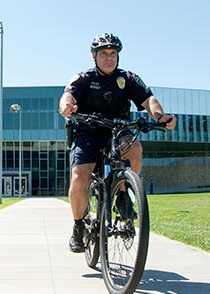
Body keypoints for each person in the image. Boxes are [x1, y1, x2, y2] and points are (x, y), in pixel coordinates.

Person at [58, 32, 177, 253]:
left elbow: (148, 99)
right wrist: (67, 106)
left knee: (135, 148)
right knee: (79, 176)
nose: (109, 58)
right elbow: (68, 95)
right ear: (94, 56)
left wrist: (160, 117)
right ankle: (77, 226)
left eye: (113, 53)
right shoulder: (84, 78)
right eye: (104, 53)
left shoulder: (128, 79)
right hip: (87, 132)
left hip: (118, 131)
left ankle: (123, 194)